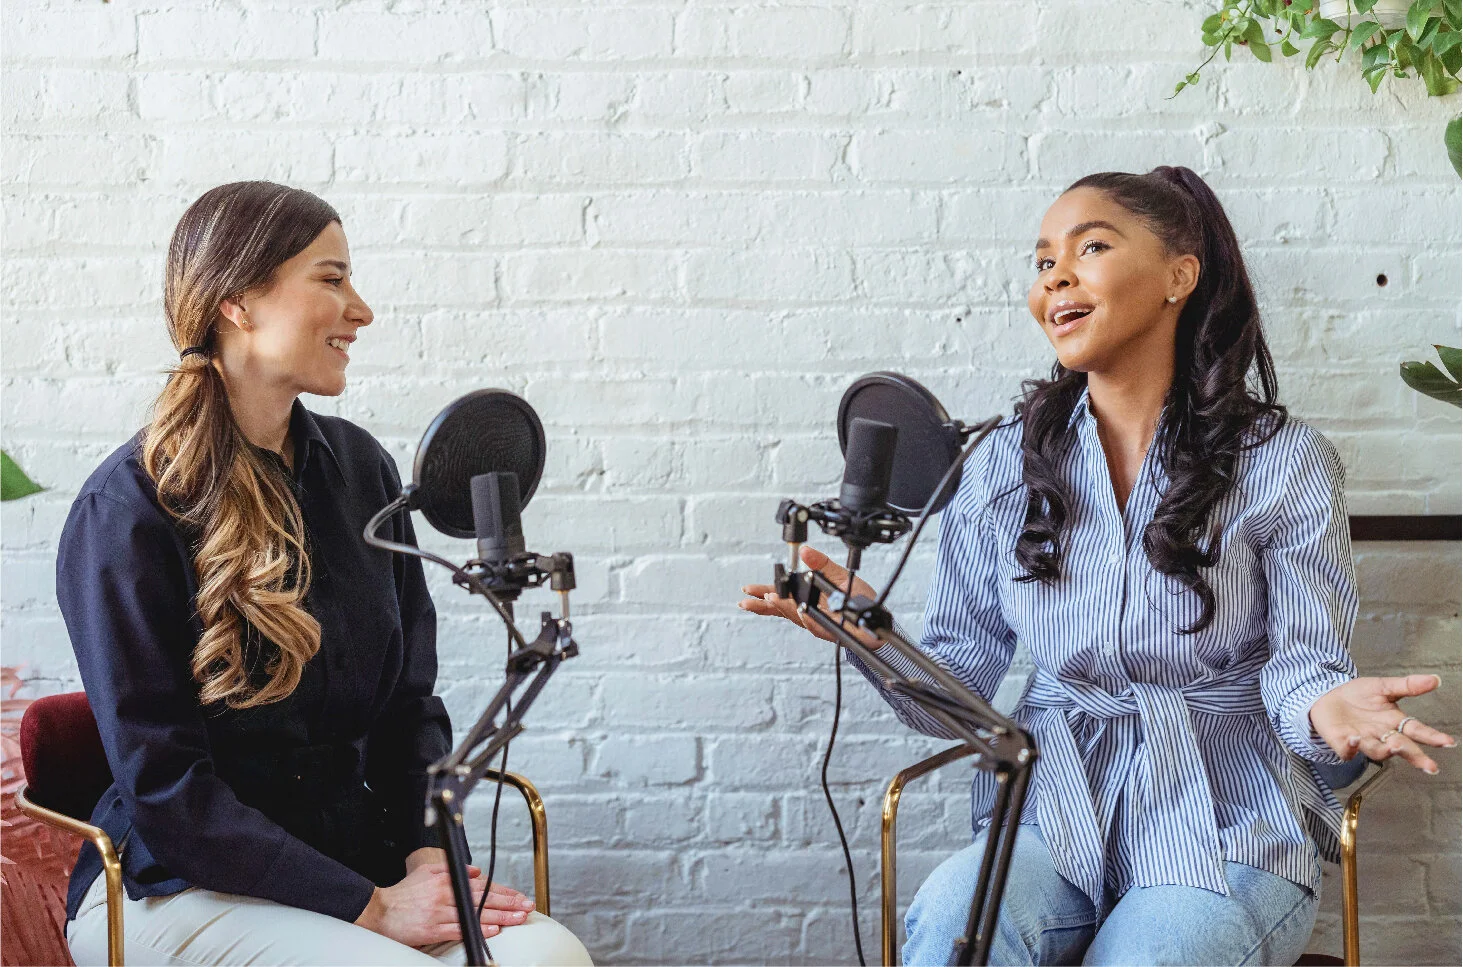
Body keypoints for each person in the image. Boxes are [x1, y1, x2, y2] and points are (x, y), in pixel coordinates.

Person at [740, 166, 1454, 966]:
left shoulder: (1282, 461)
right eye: (1043, 261)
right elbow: (961, 696)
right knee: (948, 924)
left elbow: (1301, 661)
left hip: (1225, 814)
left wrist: (1326, 705)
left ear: (1178, 276)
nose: (1057, 277)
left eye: (1091, 247)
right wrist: (871, 638)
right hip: (1054, 809)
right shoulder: (997, 462)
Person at [57, 181, 592, 967]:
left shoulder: (362, 472)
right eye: (332, 279)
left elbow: (409, 708)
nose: (361, 310)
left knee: (546, 956)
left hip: (359, 864)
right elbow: (166, 787)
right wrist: (368, 908)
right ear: (238, 300)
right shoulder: (127, 510)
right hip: (185, 890)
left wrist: (422, 856)